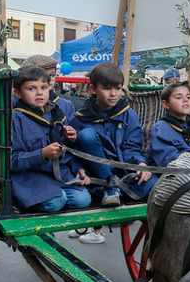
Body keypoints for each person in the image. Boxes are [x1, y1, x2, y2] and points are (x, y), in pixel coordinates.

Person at [71, 62, 155, 244]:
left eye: (117, 88)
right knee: (86, 136)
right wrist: (78, 169)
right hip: (96, 177)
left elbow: (132, 148)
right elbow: (73, 154)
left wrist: (140, 163)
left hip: (123, 173)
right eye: (107, 89)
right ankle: (109, 187)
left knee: (157, 187)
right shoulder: (79, 118)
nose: (113, 94)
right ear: (92, 89)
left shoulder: (128, 114)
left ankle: (116, 189)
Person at [10, 66, 91, 213]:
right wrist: (42, 154)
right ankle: (30, 203)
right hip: (31, 178)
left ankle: (56, 196)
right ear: (17, 93)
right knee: (56, 202)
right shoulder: (16, 119)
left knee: (83, 200)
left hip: (59, 174)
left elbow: (68, 153)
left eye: (43, 87)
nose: (40, 92)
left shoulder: (56, 113)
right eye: (31, 89)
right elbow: (12, 160)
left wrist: (78, 168)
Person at [148, 82, 190, 167]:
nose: (185, 100)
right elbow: (167, 160)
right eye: (178, 97)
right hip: (171, 174)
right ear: (165, 104)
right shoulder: (161, 128)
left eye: (188, 97)